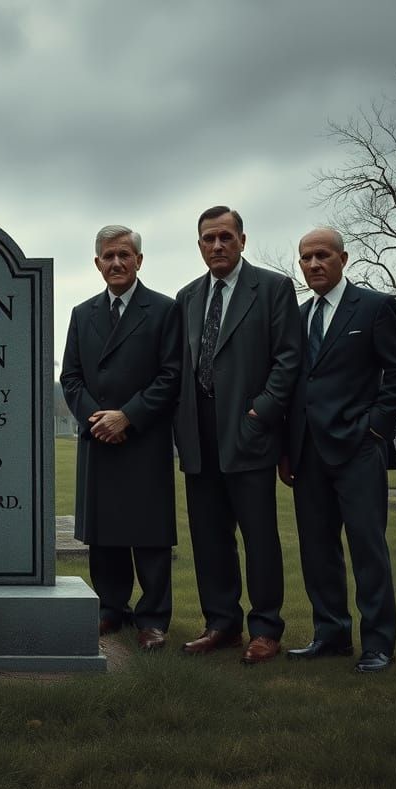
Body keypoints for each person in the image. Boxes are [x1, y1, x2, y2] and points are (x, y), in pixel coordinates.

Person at [280, 228, 396, 673]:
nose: (313, 264)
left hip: (358, 449)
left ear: (343, 258)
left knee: (368, 549)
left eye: (322, 255)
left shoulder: (374, 307)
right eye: (305, 258)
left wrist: (376, 430)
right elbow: (294, 385)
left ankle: (378, 644)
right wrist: (287, 449)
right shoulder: (298, 317)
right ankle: (331, 635)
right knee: (317, 551)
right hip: (307, 453)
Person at [173, 206, 301, 664]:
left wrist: (261, 411)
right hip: (198, 436)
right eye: (208, 239)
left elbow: (288, 358)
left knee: (259, 537)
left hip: (248, 431)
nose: (217, 246)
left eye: (225, 237)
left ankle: (265, 628)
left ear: (242, 241)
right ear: (199, 245)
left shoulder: (272, 288)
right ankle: (221, 624)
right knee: (209, 538)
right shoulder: (187, 297)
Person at [60, 225, 182, 650]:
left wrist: (127, 417)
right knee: (105, 533)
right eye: (108, 256)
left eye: (124, 255)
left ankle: (152, 620)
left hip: (144, 437)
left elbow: (171, 375)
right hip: (99, 438)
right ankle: (111, 609)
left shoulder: (164, 310)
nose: (116, 263)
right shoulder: (82, 313)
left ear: (139, 260)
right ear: (98, 263)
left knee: (150, 533)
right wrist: (98, 420)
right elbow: (70, 377)